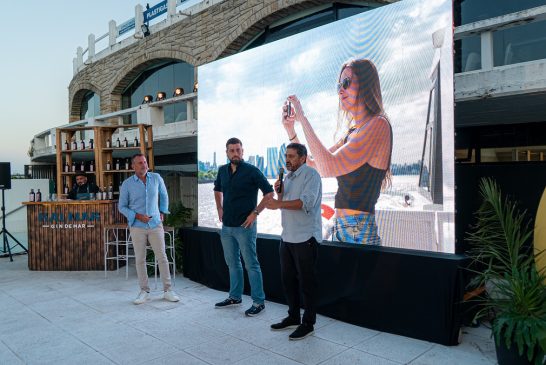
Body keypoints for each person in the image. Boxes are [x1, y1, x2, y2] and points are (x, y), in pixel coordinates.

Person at [281, 58, 392, 245]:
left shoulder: (378, 124)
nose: (341, 90)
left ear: (365, 83)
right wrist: (291, 130)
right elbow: (315, 165)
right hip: (343, 226)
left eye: (346, 83)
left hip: (358, 229)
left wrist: (303, 118)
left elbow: (327, 167)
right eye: (339, 85)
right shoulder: (353, 132)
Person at [266, 143, 322, 340]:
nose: (287, 160)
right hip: (287, 236)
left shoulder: (311, 175)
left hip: (305, 237)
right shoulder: (287, 177)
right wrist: (279, 191)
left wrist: (278, 203)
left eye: (291, 156)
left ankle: (308, 323)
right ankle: (293, 317)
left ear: (303, 157)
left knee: (307, 283)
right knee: (288, 280)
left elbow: (304, 203)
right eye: (286, 156)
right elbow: (284, 204)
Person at [213, 137, 274, 316]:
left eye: (238, 150)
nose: (235, 153)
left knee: (251, 264)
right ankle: (235, 297)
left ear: (242, 151)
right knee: (232, 264)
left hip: (245, 226)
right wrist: (219, 207)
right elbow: (217, 189)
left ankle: (258, 301)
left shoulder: (252, 171)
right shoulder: (222, 170)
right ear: (227, 153)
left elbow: (269, 193)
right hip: (227, 227)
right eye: (232, 150)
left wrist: (255, 213)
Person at [118, 153, 179, 304]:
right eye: (140, 163)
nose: (144, 165)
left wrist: (163, 211)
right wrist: (137, 216)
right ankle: (144, 291)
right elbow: (122, 207)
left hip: (155, 225)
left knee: (162, 257)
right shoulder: (127, 184)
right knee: (140, 259)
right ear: (133, 166)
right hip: (137, 226)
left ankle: (168, 290)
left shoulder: (157, 178)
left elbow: (164, 196)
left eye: (144, 162)